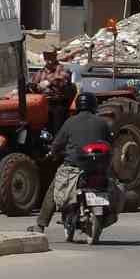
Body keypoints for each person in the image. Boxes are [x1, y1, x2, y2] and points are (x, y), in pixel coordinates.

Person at [29, 92, 111, 234]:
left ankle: (40, 225)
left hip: (74, 167)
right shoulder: (102, 123)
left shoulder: (70, 122)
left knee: (54, 188)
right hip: (99, 169)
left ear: (78, 106)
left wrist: (52, 153)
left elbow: (58, 143)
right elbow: (110, 144)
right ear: (94, 106)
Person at [33, 49, 74, 135]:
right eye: (47, 56)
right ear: (44, 57)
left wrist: (48, 82)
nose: (49, 58)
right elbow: (34, 85)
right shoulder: (41, 72)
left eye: (51, 56)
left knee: (57, 130)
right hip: (43, 105)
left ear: (55, 56)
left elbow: (62, 79)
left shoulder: (62, 69)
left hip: (58, 104)